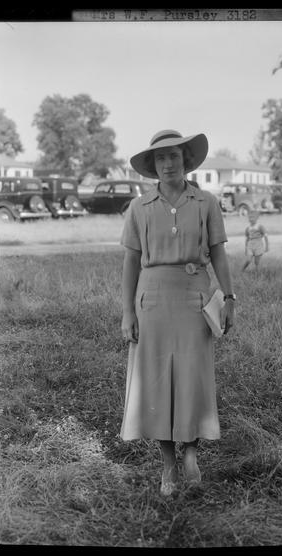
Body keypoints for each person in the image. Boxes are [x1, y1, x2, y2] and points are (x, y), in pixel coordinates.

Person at [120, 129, 236, 496]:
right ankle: (168, 464)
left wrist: (229, 297)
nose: (168, 163)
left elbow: (218, 252)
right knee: (155, 380)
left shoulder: (206, 202)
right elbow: (131, 262)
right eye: (160, 158)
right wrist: (128, 312)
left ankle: (191, 453)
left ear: (186, 159)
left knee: (191, 377)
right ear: (152, 166)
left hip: (194, 298)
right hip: (152, 299)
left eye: (173, 156)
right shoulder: (139, 207)